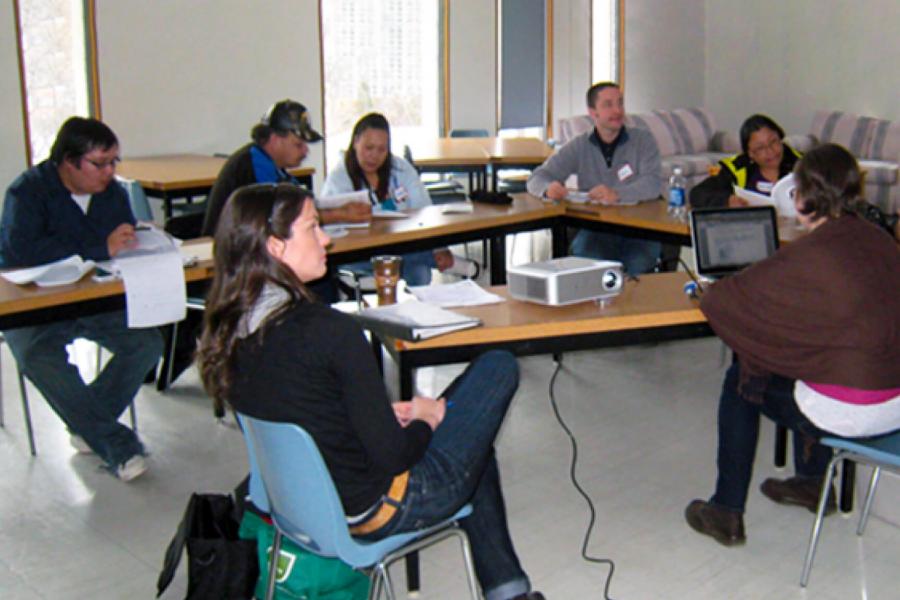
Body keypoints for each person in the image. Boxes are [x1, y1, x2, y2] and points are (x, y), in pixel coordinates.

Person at [197, 183, 543, 600]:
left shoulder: (229, 330)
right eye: (312, 228)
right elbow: (396, 456)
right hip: (373, 510)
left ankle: (509, 589)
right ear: (276, 246)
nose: (326, 239)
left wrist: (379, 413)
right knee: (497, 366)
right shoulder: (332, 332)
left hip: (298, 505)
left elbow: (303, 407)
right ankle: (508, 590)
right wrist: (429, 420)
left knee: (471, 437)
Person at [685, 143, 900, 546]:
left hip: (856, 412)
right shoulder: (879, 239)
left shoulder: (808, 254)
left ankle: (726, 510)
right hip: (896, 400)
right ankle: (813, 482)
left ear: (800, 198)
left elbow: (726, 301)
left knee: (742, 377)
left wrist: (706, 293)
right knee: (805, 358)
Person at [0, 117, 163, 481]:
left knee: (146, 344)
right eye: (100, 164)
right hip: (32, 305)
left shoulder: (113, 193)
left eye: (114, 162)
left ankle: (88, 425)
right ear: (68, 161)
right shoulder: (26, 193)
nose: (109, 172)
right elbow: (21, 252)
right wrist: (96, 247)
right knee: (39, 358)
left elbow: (120, 238)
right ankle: (119, 446)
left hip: (93, 299)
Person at [321, 112, 479, 285]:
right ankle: (446, 261)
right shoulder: (339, 178)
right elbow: (331, 229)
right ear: (355, 142)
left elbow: (424, 209)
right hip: (358, 253)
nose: (374, 156)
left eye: (382, 149)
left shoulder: (400, 169)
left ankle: (415, 309)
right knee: (414, 259)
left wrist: (438, 245)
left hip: (399, 247)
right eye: (368, 147)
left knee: (419, 270)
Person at [527, 81, 664, 275]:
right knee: (588, 261)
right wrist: (548, 188)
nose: (617, 110)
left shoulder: (643, 140)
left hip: (639, 228)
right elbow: (537, 177)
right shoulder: (579, 145)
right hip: (598, 229)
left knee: (638, 265)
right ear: (593, 113)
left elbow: (653, 183)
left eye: (620, 103)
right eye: (608, 105)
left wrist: (617, 194)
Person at [202, 99, 371, 236]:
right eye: (298, 144)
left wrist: (339, 209)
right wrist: (339, 215)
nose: (305, 151)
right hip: (236, 256)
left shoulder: (273, 165)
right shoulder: (254, 163)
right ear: (275, 139)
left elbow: (295, 204)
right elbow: (280, 218)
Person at [690, 114, 802, 209]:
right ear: (750, 153)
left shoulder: (803, 164)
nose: (770, 151)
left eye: (773, 142)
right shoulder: (737, 169)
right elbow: (697, 194)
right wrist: (727, 201)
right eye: (760, 148)